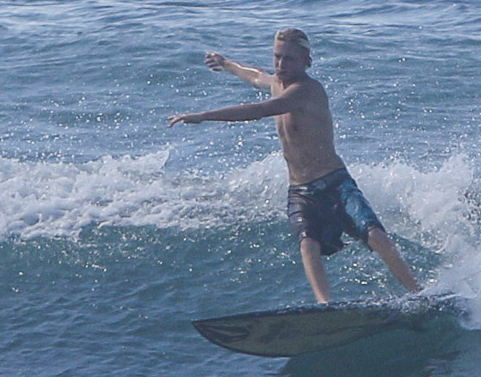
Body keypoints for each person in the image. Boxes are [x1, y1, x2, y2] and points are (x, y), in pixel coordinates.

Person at [168, 28, 421, 304]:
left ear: (305, 60)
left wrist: (204, 116)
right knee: (308, 245)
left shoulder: (307, 90)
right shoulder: (277, 82)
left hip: (334, 182)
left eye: (289, 59)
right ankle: (325, 306)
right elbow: (255, 76)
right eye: (277, 57)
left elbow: (262, 109)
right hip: (300, 189)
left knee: (375, 234)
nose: (281, 65)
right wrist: (227, 64)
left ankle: (417, 293)